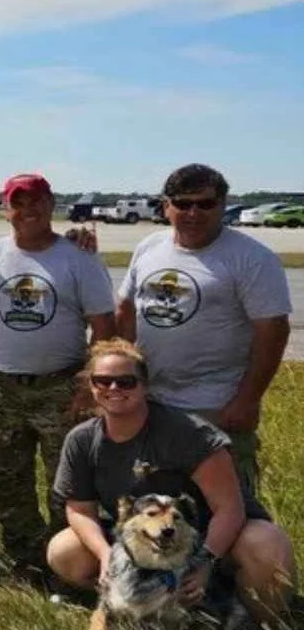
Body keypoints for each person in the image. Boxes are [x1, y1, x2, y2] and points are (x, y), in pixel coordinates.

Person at [48, 339, 294, 630]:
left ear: (145, 386)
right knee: (64, 552)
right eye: (103, 381)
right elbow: (79, 509)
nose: (113, 389)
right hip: (149, 536)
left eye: (126, 382)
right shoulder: (82, 439)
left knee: (266, 545)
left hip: (213, 535)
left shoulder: (188, 433)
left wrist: (204, 563)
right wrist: (106, 557)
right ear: (91, 385)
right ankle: (139, 607)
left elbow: (229, 509)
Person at [0, 172, 116, 577]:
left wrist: (89, 385)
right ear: (5, 207)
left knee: (66, 485)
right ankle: (26, 559)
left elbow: (102, 325)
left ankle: (66, 564)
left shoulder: (78, 257)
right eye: (18, 202)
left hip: (62, 385)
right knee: (5, 481)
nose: (28, 210)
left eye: (37, 201)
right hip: (2, 384)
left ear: (51, 204)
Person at [117, 162, 290, 500]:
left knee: (226, 506)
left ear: (223, 205)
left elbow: (273, 330)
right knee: (156, 505)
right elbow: (125, 311)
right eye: (182, 203)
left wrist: (248, 399)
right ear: (166, 206)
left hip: (216, 405)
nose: (193, 213)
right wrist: (124, 380)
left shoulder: (252, 258)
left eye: (205, 204)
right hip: (152, 402)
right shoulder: (150, 247)